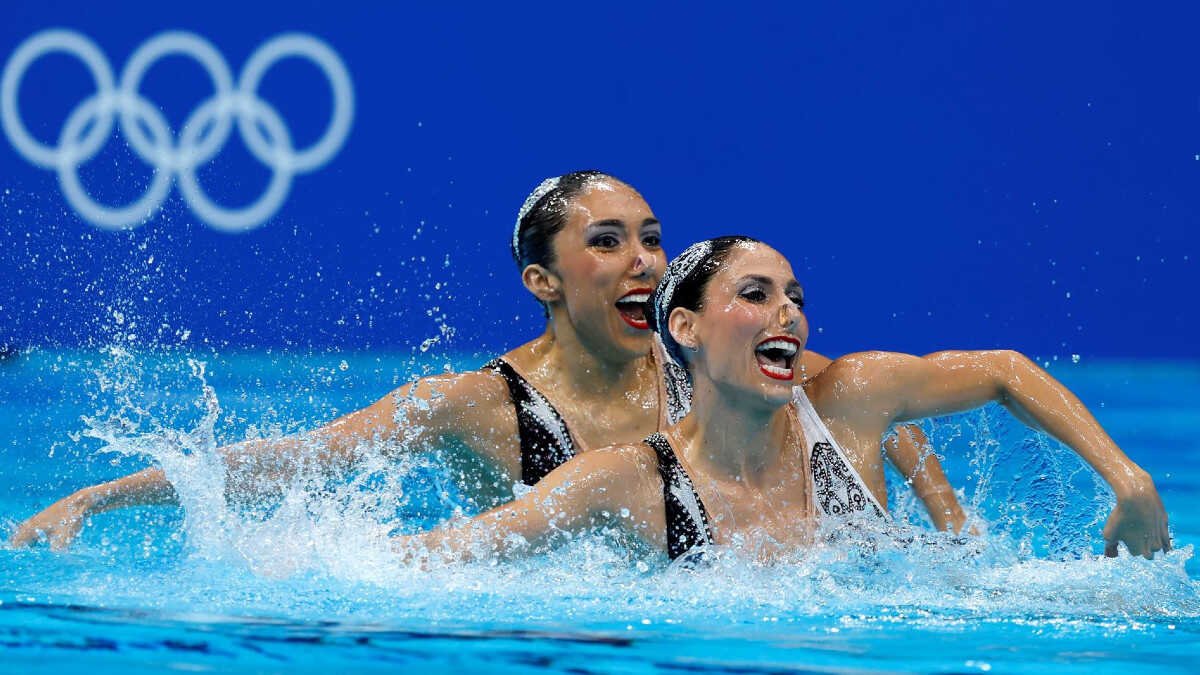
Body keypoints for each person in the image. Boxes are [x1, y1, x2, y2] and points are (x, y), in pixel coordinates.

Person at [10, 174, 962, 550]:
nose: (643, 261)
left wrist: (952, 539)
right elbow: (302, 461)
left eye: (650, 237)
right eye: (607, 243)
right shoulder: (480, 404)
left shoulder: (703, 353)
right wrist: (96, 498)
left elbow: (850, 408)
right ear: (543, 281)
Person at [392, 237, 1170, 564]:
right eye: (756, 295)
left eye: (795, 297)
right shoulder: (629, 479)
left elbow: (1003, 370)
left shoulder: (847, 401)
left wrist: (1130, 482)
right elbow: (446, 556)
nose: (787, 313)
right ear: (685, 328)